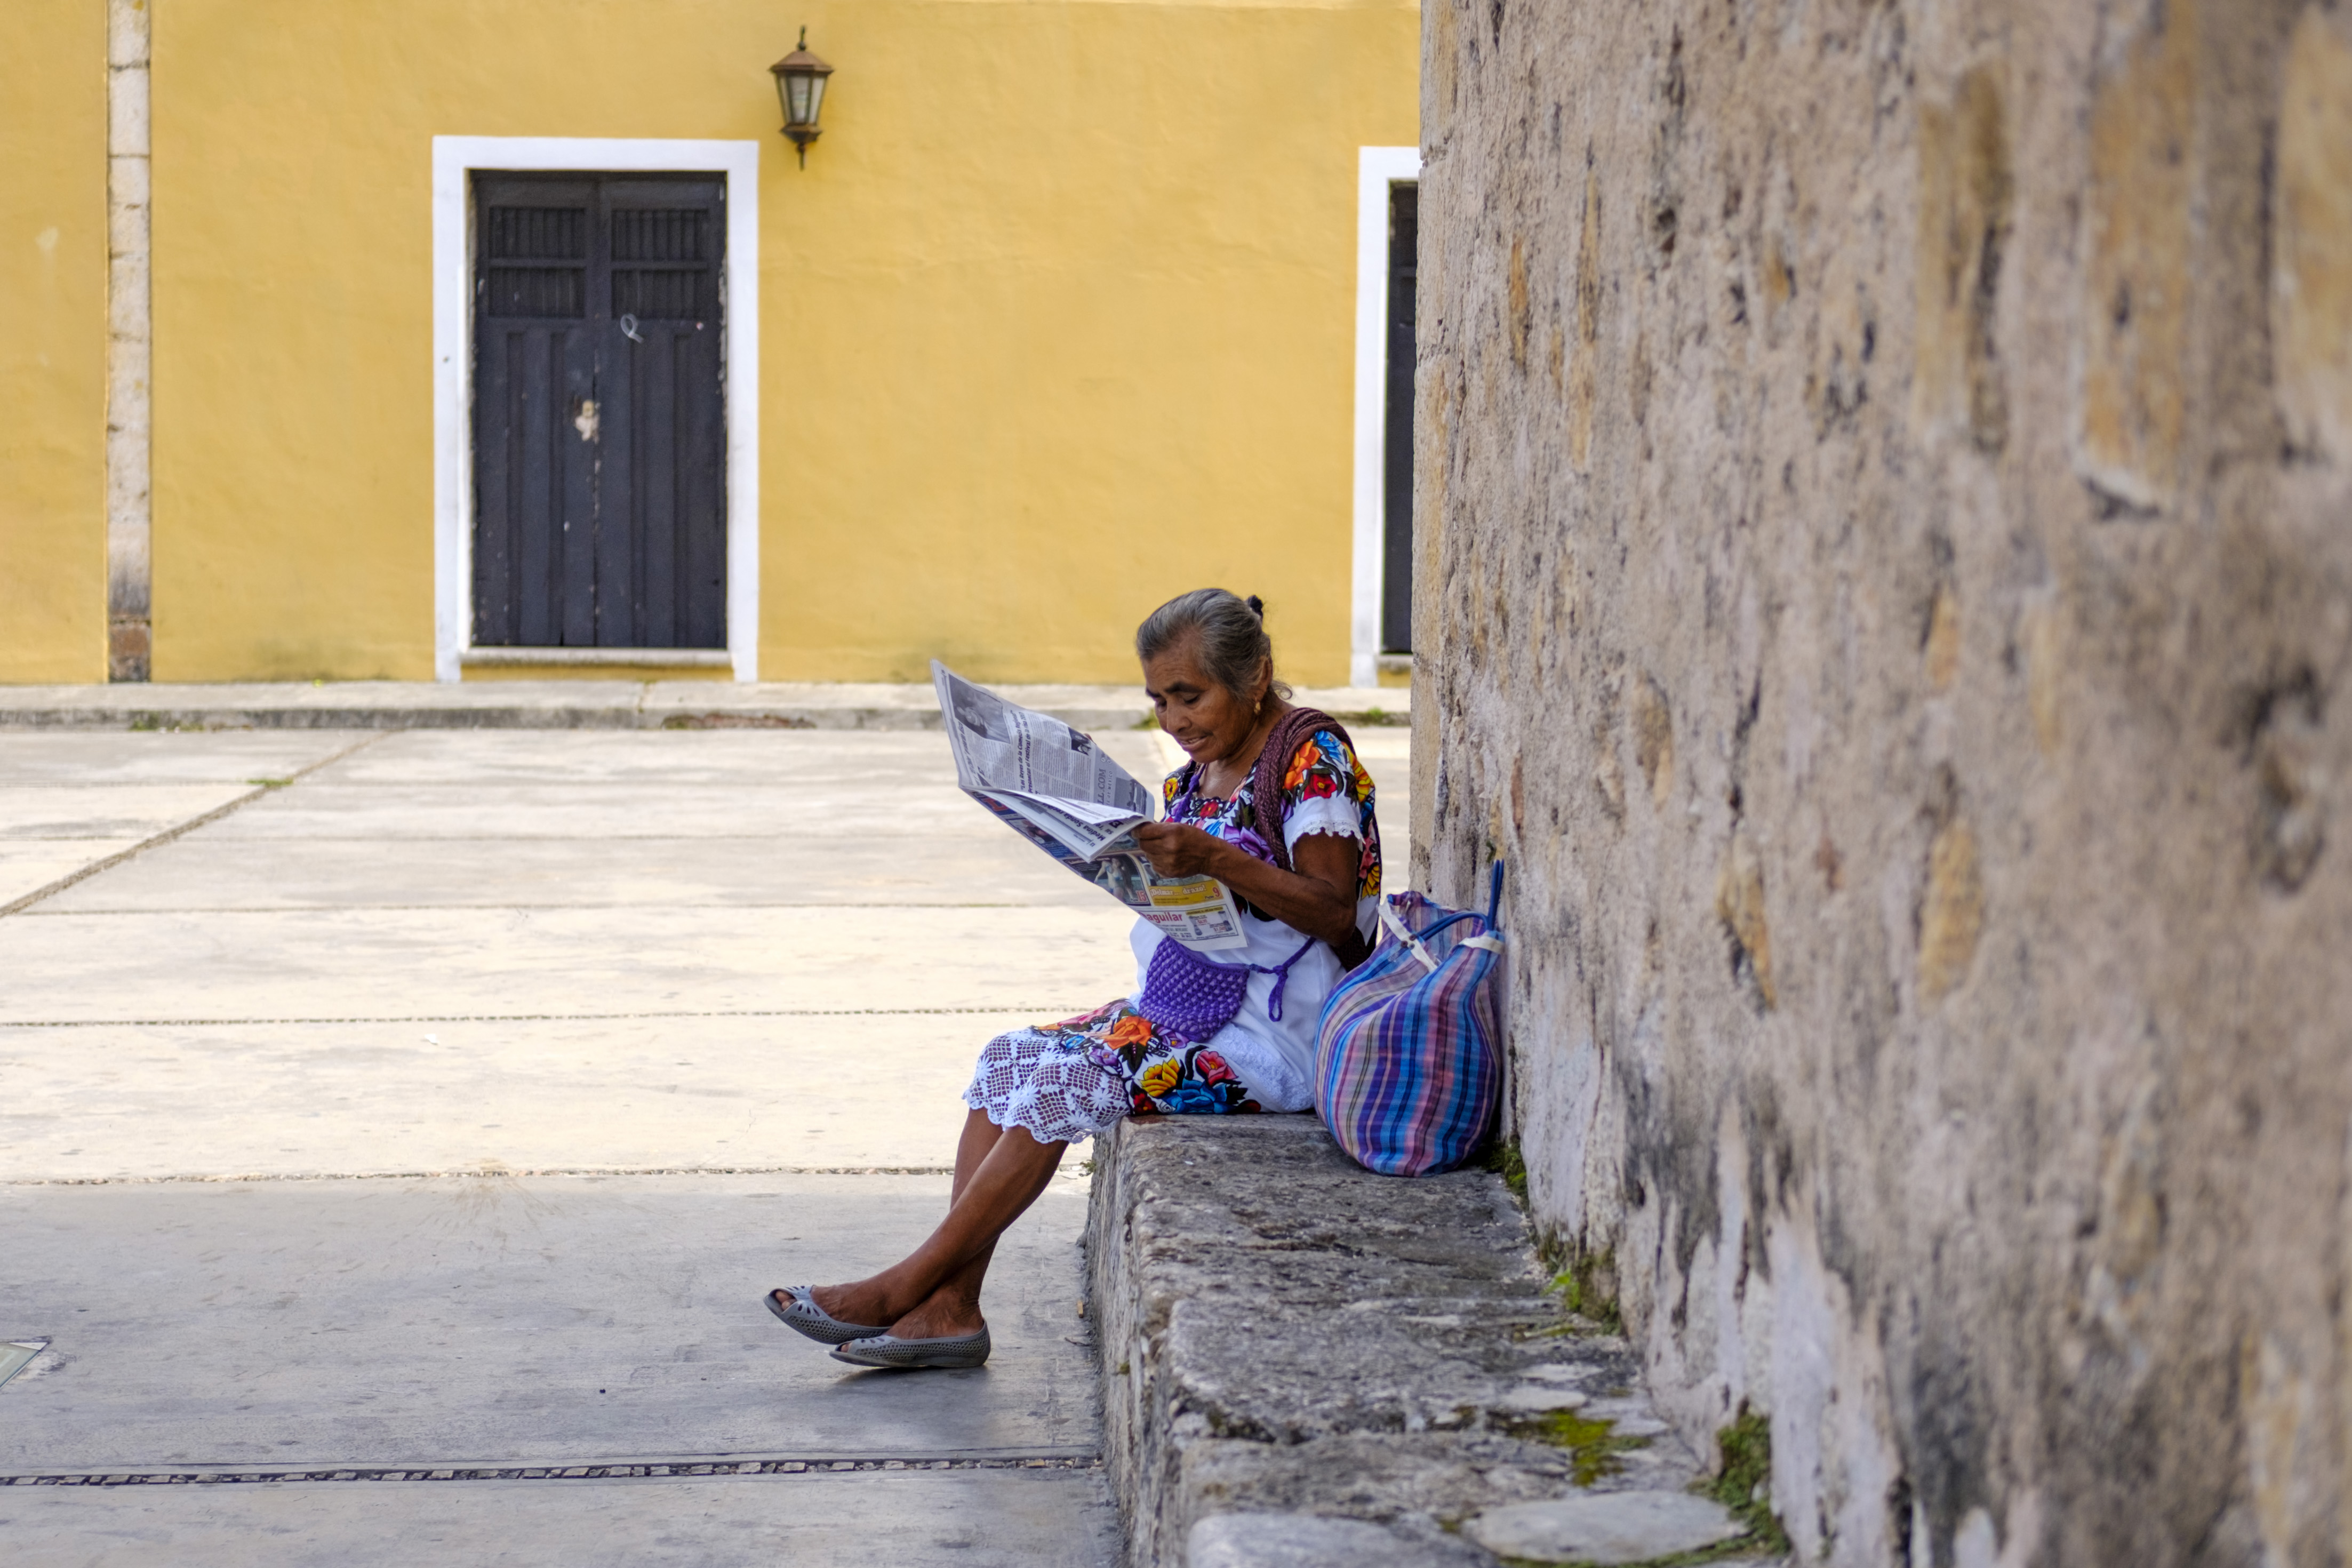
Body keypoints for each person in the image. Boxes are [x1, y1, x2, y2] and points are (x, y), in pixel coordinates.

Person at [766, 588, 1383, 1369]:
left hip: (1274, 1038)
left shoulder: (1309, 761)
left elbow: (1336, 915)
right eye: (1158, 701)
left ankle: (905, 1286)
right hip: (1190, 1009)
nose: (1173, 721)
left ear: (1255, 675)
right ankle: (950, 1311)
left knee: (1067, 1075)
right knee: (1012, 1055)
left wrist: (1211, 859)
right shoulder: (1201, 773)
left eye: (1189, 697)